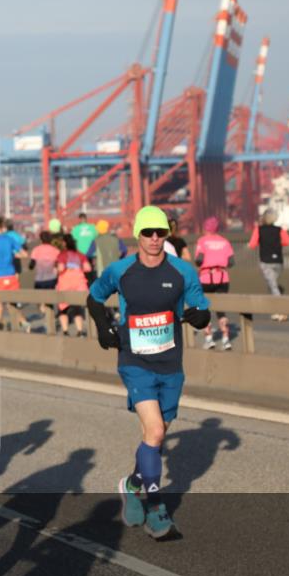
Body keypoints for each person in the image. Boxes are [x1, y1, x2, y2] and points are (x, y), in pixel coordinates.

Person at [87, 206, 210, 539]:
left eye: (160, 233)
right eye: (148, 233)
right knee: (154, 432)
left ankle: (130, 485)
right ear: (138, 235)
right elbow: (94, 297)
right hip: (134, 362)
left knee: (155, 438)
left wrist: (201, 318)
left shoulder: (183, 271)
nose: (155, 239)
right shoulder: (120, 270)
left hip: (171, 365)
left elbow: (201, 307)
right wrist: (102, 328)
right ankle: (157, 508)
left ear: (166, 234)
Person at [0, 216, 30, 332]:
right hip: (11, 275)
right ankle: (24, 323)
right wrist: (13, 255)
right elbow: (24, 254)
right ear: (3, 227)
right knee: (12, 305)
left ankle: (0, 330)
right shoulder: (10, 239)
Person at [194, 217, 234, 350]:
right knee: (221, 310)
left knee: (204, 308)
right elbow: (231, 262)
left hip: (206, 278)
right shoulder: (225, 241)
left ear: (206, 228)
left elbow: (199, 260)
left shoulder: (202, 241)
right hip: (223, 278)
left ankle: (209, 338)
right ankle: (226, 339)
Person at [248, 209, 289, 321]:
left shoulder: (259, 230)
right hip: (278, 261)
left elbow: (252, 244)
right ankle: (275, 310)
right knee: (273, 284)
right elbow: (287, 242)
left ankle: (281, 311)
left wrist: (262, 242)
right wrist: (276, 243)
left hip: (266, 261)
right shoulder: (279, 230)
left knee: (273, 286)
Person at [55, 235, 92, 337]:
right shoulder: (80, 254)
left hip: (65, 284)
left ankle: (65, 331)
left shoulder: (62, 255)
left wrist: (57, 269)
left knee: (63, 309)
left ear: (64, 243)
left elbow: (61, 268)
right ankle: (80, 331)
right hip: (79, 284)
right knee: (77, 309)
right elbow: (88, 268)